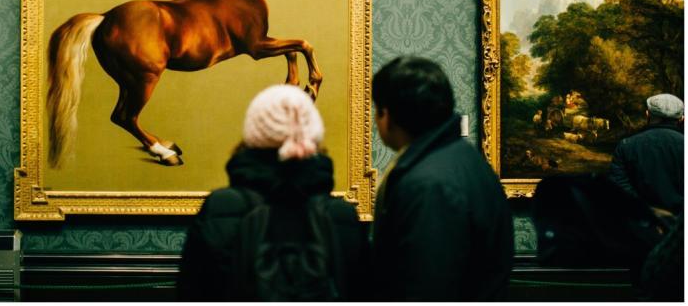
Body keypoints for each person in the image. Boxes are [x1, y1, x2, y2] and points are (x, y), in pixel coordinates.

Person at [178, 84, 368, 301]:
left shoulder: (220, 207)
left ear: (253, 135)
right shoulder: (341, 215)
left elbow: (191, 294)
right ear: (312, 135)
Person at [370, 56, 513, 301]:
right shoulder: (462, 158)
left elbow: (426, 288)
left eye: (377, 110)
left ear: (387, 114)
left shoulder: (429, 185)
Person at [608, 93, 684, 217]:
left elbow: (618, 186)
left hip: (640, 224)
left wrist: (647, 211)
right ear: (681, 119)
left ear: (647, 114)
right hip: (680, 226)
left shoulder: (627, 145)